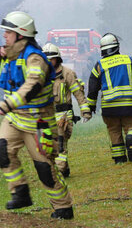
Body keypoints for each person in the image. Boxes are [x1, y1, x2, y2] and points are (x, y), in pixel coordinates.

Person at [0, 11, 74, 220]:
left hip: (38, 121)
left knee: (44, 168)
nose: (5, 36)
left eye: (8, 32)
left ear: (20, 35)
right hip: (15, 118)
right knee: (2, 149)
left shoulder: (35, 58)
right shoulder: (10, 54)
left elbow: (33, 84)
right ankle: (20, 193)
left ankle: (64, 207)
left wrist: (9, 103)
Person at [86, 33, 132, 163]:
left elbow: (92, 89)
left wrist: (91, 106)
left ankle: (119, 159)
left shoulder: (99, 65)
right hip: (129, 106)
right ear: (117, 47)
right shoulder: (128, 60)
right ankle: (131, 139)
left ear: (102, 49)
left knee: (114, 131)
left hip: (109, 109)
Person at [42, 42, 92, 177]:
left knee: (60, 145)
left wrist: (85, 110)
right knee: (47, 147)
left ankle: (60, 171)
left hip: (63, 117)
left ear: (57, 58)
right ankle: (62, 169)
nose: (48, 62)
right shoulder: (40, 75)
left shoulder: (68, 74)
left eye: (51, 59)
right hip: (46, 117)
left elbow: (78, 93)